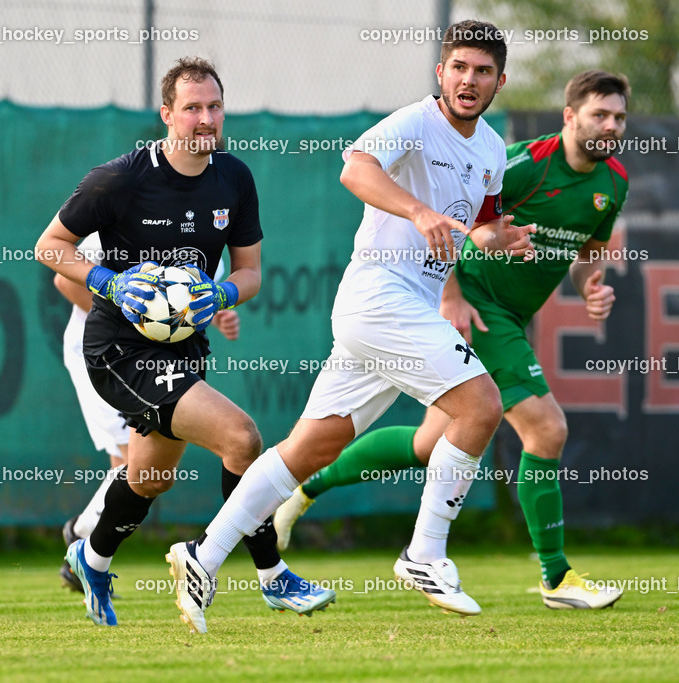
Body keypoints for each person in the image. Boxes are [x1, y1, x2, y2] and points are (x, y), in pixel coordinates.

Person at [167, 20, 539, 634]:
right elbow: (354, 169)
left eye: (482, 71)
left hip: (399, 309)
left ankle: (203, 557)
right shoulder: (416, 121)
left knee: (310, 448)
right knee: (481, 406)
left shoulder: (493, 150)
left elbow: (482, 227)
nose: (469, 81)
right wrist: (418, 210)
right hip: (380, 297)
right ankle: (425, 553)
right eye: (458, 68)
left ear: (501, 80)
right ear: (439, 73)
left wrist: (500, 239)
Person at [274, 69, 630, 610]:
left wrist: (592, 288)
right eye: (598, 115)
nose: (610, 126)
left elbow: (588, 257)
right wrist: (451, 294)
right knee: (547, 428)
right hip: (483, 311)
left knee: (426, 444)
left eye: (619, 118)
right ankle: (556, 578)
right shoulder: (527, 162)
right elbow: (466, 213)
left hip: (513, 314)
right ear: (569, 117)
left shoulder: (613, 183)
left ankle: (305, 489)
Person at [35, 56, 336, 627]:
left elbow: (250, 273)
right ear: (167, 115)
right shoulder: (120, 178)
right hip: (116, 350)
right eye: (192, 108)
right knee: (242, 438)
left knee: (150, 475)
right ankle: (273, 577)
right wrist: (109, 281)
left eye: (214, 107)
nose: (205, 119)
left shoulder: (234, 177)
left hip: (182, 348)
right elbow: (50, 247)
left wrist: (219, 296)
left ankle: (91, 556)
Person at [54, 233, 240, 593]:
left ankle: (84, 545)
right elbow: (64, 279)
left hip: (155, 362)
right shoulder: (124, 212)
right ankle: (82, 540)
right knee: (131, 462)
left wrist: (216, 317)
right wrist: (132, 322)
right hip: (100, 353)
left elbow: (180, 302)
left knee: (148, 472)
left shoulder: (208, 230)